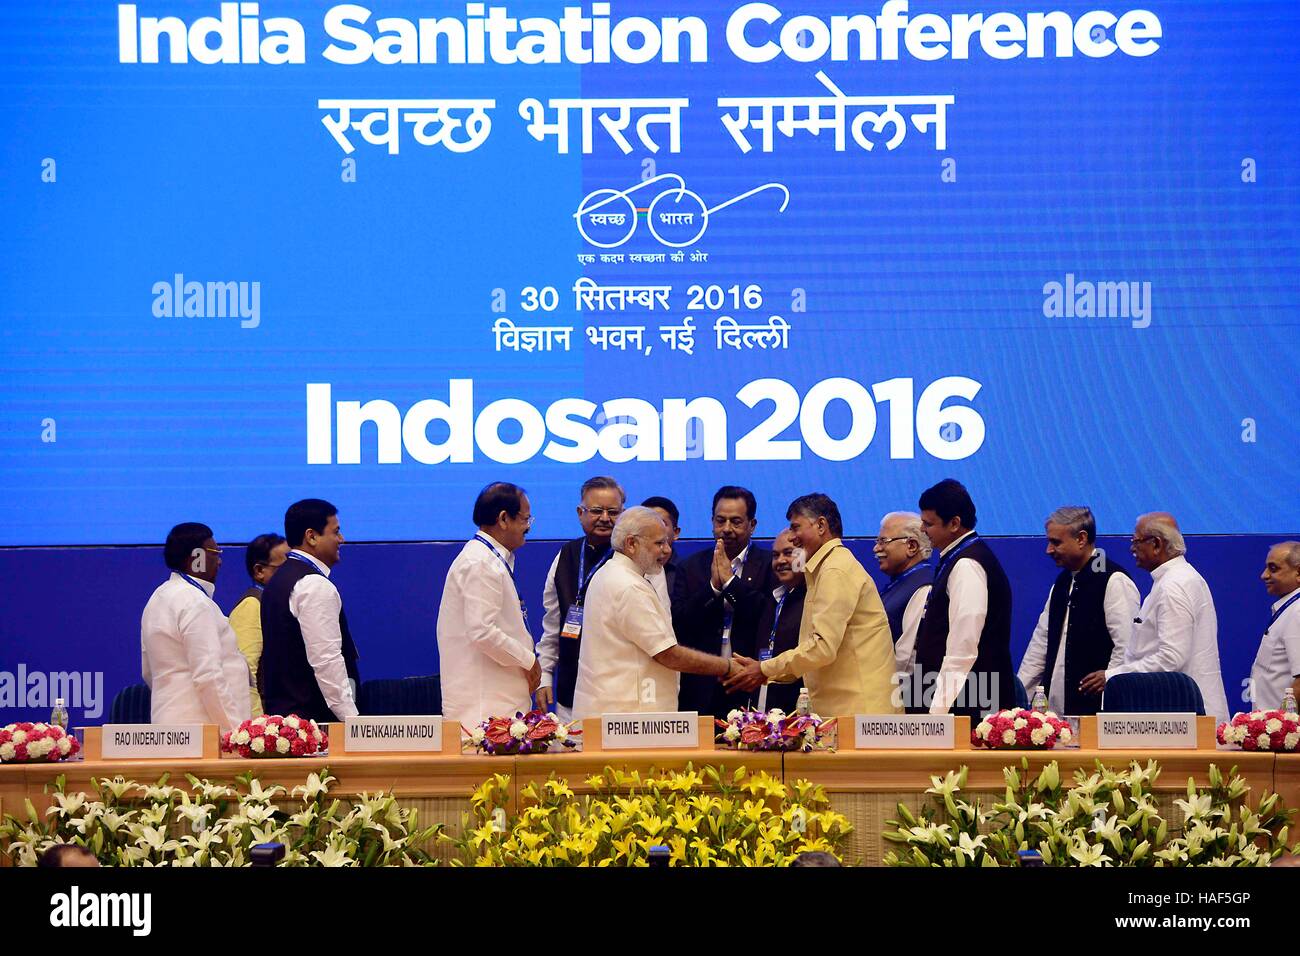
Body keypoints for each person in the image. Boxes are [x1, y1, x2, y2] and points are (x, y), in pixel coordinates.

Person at [724, 494, 900, 717]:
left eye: (796, 527)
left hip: (860, 714)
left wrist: (764, 668)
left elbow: (822, 647)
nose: (792, 537)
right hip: (847, 711)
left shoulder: (835, 570)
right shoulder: (825, 568)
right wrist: (764, 670)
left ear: (821, 525)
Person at [571, 507, 742, 718]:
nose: (667, 550)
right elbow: (667, 654)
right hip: (628, 720)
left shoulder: (610, 573)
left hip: (616, 716)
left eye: (667, 542)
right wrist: (727, 666)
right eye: (659, 543)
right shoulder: (628, 586)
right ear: (631, 544)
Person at [1080, 513, 1229, 723]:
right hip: (1185, 715)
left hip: (1183, 718)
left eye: (1136, 541)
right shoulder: (1179, 579)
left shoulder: (1173, 586)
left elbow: (1171, 657)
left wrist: (1113, 675)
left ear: (1157, 544)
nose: (1132, 548)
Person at [1017, 507, 1138, 716]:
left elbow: (1127, 646)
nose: (1048, 550)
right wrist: (1017, 700)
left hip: (1097, 713)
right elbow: (1040, 645)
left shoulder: (1114, 580)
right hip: (1053, 713)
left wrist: (1110, 681)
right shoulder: (1062, 583)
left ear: (1081, 539)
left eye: (1056, 542)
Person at [437, 482, 541, 725]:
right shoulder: (480, 563)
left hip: (497, 704)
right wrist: (528, 659)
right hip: (484, 711)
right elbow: (482, 631)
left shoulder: (487, 559)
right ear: (504, 519)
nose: (528, 527)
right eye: (526, 519)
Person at [913, 479, 1015, 719]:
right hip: (960, 701)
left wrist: (937, 714)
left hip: (969, 706)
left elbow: (964, 646)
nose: (921, 530)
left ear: (954, 523)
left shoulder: (967, 564)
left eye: (928, 523)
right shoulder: (957, 558)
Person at [673, 486, 775, 717]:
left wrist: (730, 583)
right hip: (700, 685)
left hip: (749, 682)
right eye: (721, 521)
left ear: (752, 525)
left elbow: (766, 616)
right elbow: (680, 623)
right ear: (712, 521)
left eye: (736, 522)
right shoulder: (690, 567)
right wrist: (713, 588)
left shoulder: (771, 564)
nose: (726, 529)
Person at [141, 522, 250, 734]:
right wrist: (236, 734)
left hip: (168, 726)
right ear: (196, 557)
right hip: (203, 733)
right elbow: (208, 675)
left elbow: (148, 671)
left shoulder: (157, 598)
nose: (219, 561)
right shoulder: (194, 602)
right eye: (215, 552)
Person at [259, 499, 359, 723]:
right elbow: (327, 661)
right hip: (316, 727)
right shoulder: (313, 584)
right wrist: (353, 722)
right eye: (336, 532)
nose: (341, 539)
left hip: (287, 723)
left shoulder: (278, 581)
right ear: (312, 536)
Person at [536, 476, 626, 721]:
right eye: (596, 510)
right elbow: (552, 625)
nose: (605, 518)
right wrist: (544, 676)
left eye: (613, 511)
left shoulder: (633, 556)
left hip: (619, 692)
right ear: (580, 513)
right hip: (570, 690)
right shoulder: (565, 556)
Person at [228, 533, 289, 717]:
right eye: (284, 568)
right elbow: (244, 675)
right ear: (259, 571)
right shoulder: (252, 605)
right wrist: (257, 726)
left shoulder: (277, 605)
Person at [749, 529, 806, 713]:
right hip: (764, 707)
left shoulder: (813, 599)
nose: (780, 561)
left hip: (798, 713)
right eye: (775, 555)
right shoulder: (774, 599)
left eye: (788, 553)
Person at [872, 512, 933, 677]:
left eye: (883, 541)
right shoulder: (900, 583)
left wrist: (889, 694)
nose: (876, 548)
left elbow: (908, 659)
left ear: (912, 546)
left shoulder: (924, 587)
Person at [1248, 541, 1300, 711]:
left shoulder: (1297, 611)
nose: (1264, 575)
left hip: (1281, 731)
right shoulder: (1289, 609)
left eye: (1273, 568)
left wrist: (1283, 727)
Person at [642, 495, 682, 613]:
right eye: (646, 522)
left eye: (661, 522)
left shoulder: (687, 571)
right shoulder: (628, 569)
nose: (652, 528)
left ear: (676, 533)